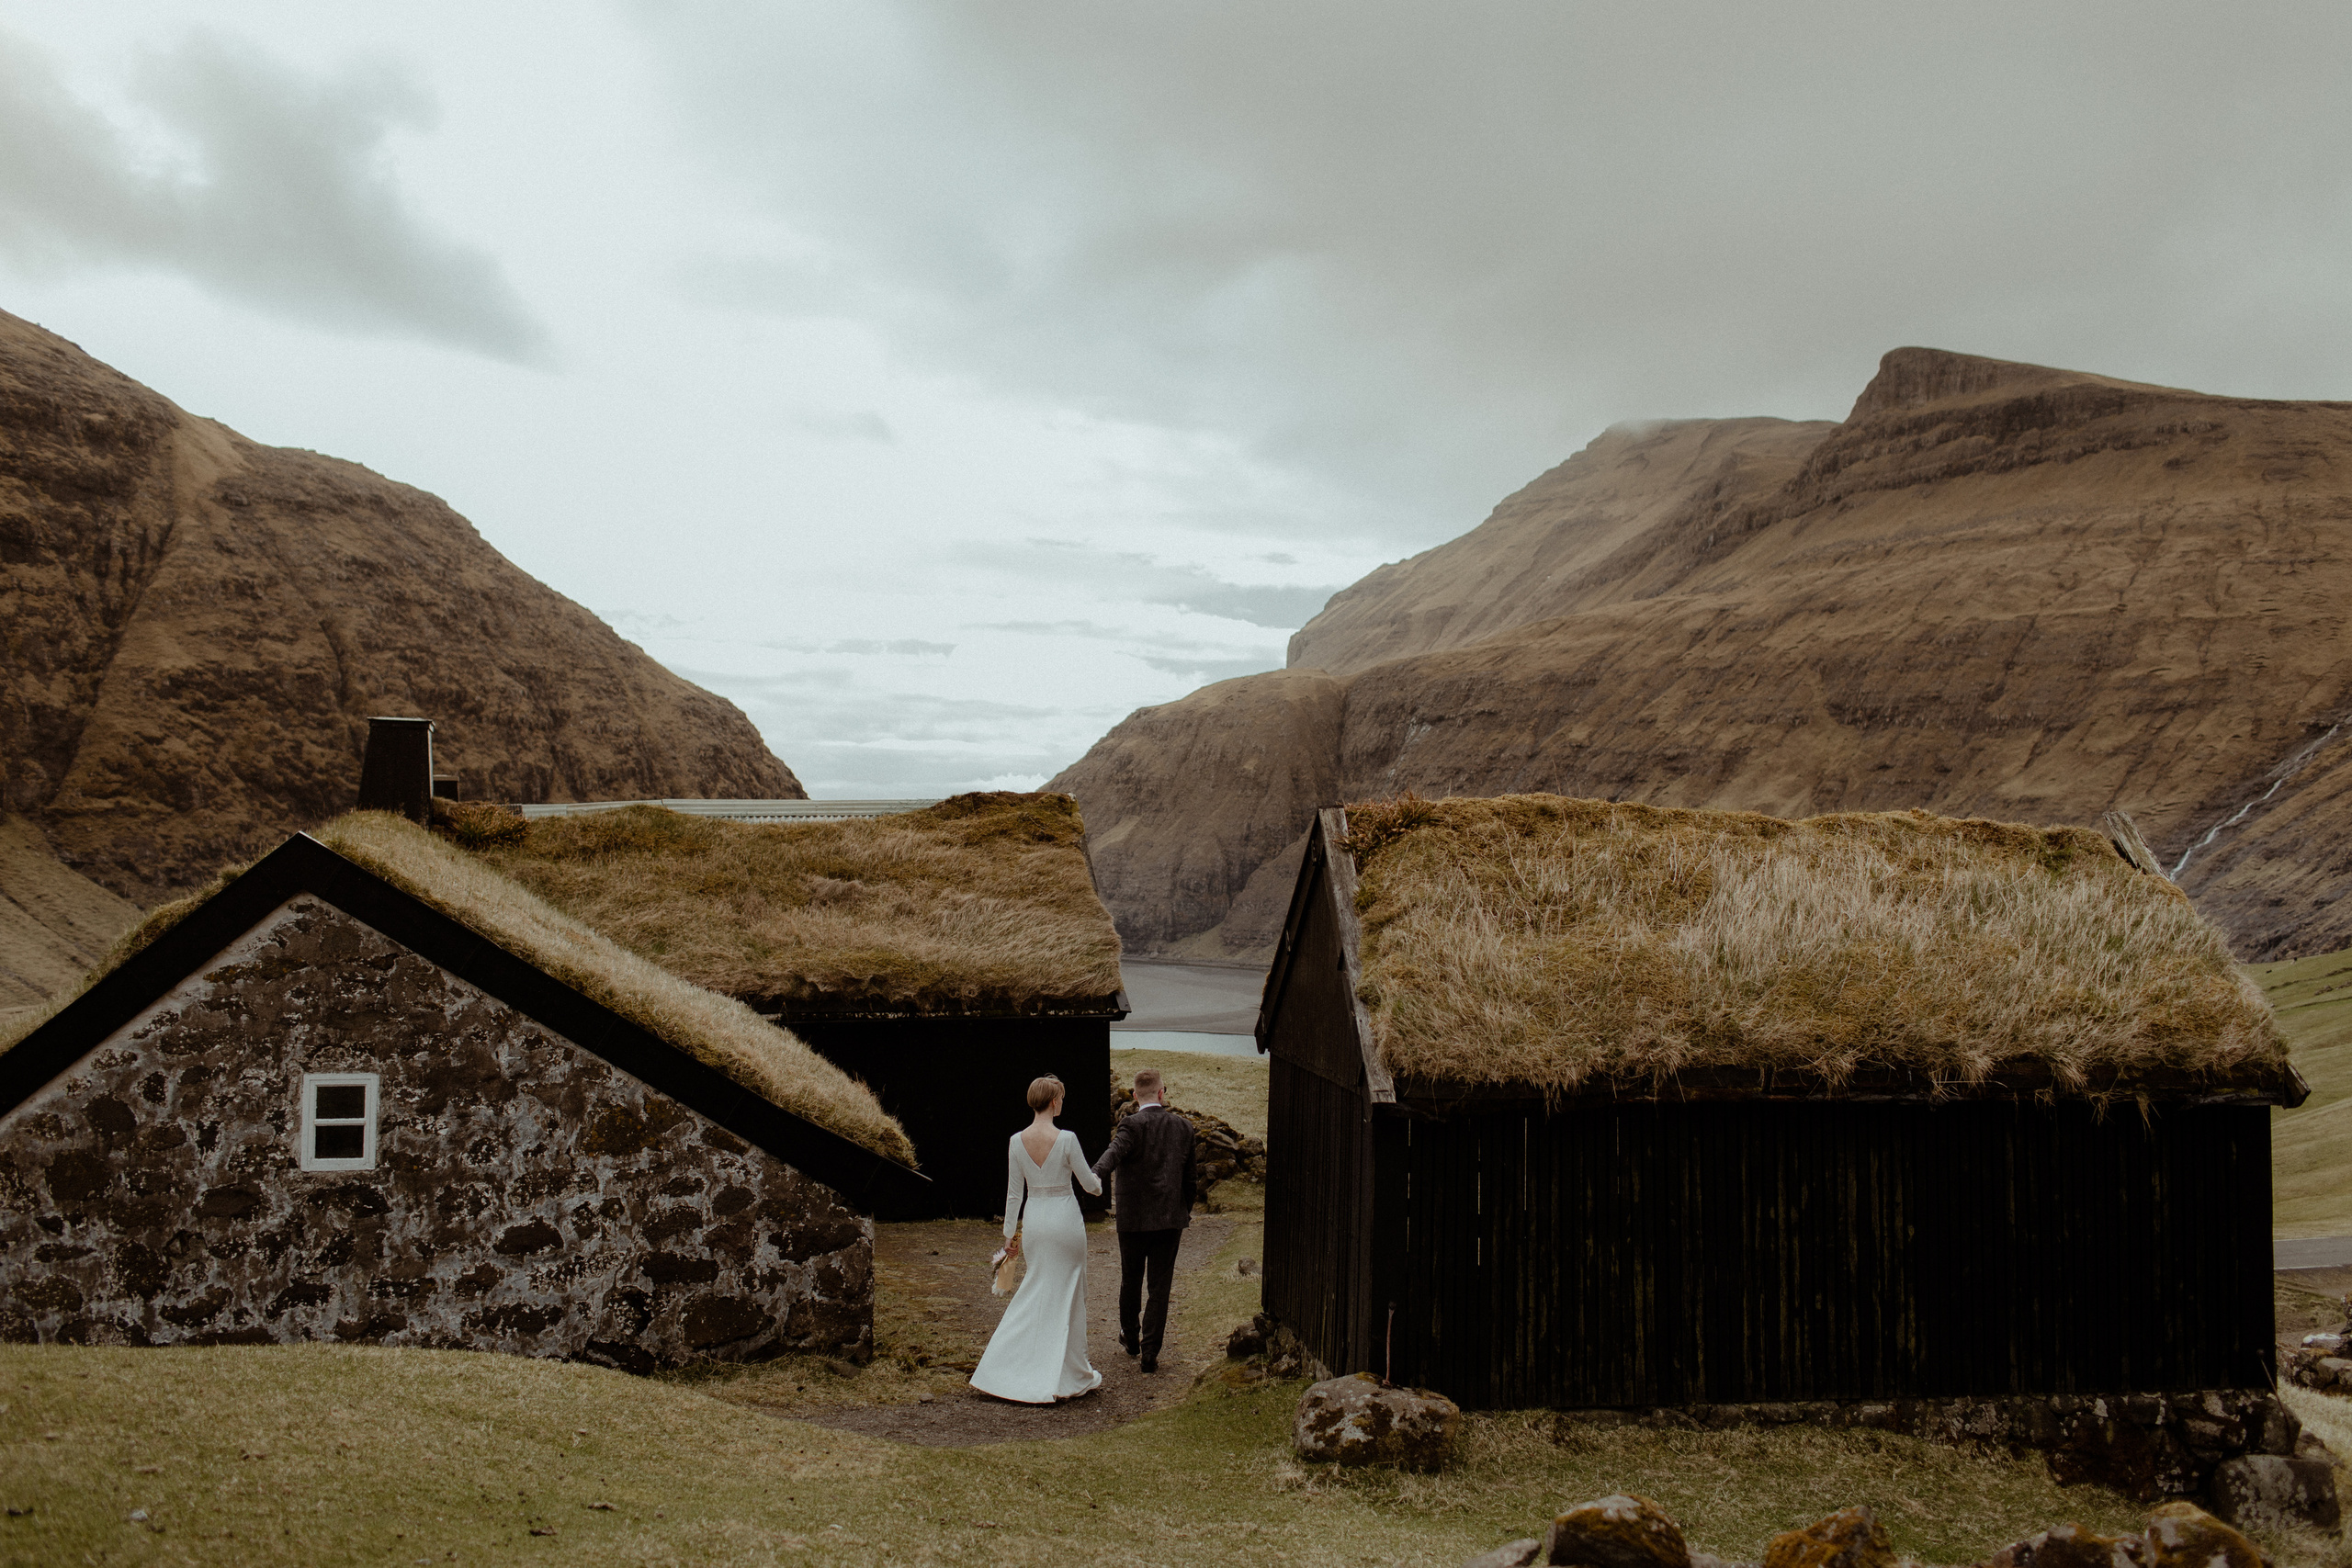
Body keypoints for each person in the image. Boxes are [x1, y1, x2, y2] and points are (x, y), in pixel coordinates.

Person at [969, 1075, 1103, 1404]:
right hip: (1065, 1221)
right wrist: (1100, 1184)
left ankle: (1003, 1367)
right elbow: (1089, 1184)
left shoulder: (1017, 1140)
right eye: (1061, 1099)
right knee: (1070, 1292)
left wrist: (1008, 1237)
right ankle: (1068, 1371)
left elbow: (1014, 1194)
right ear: (1055, 1101)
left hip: (1036, 1221)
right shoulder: (1067, 1138)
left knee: (1036, 1287)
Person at [1091, 1067, 1196, 1374]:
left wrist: (1091, 1177)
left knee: (1131, 1278)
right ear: (1162, 1093)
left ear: (1135, 1096)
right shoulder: (1184, 1127)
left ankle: (1131, 1338)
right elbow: (1191, 1180)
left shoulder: (1130, 1126)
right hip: (1169, 1220)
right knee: (1159, 1288)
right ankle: (1150, 1353)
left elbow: (1111, 1156)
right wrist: (1181, 1210)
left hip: (1132, 1220)